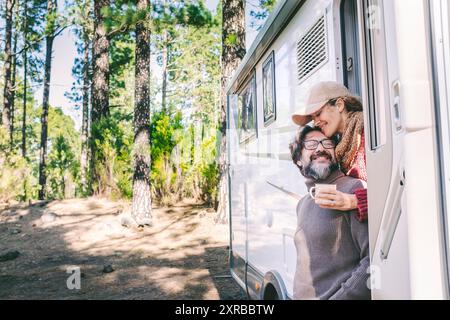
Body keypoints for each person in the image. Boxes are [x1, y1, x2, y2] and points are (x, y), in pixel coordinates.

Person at [289, 125, 370, 300]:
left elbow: (372, 261)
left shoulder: (352, 189)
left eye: (327, 143)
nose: (320, 148)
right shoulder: (303, 203)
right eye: (311, 144)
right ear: (298, 159)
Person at [291, 81, 368, 221]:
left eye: (318, 113)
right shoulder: (341, 145)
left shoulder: (365, 133)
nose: (315, 122)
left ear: (339, 105)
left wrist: (354, 201)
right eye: (313, 118)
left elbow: (393, 188)